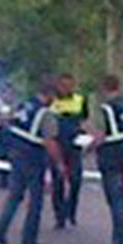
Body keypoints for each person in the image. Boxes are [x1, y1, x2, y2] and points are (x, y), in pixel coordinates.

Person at [0, 79, 67, 244]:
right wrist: (59, 163)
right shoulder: (45, 114)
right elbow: (50, 141)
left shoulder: (23, 106)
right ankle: (29, 238)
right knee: (35, 199)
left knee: (15, 195)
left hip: (16, 154)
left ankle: (1, 230)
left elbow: (5, 123)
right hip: (33, 157)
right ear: (49, 94)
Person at [85, 74, 123, 244]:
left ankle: (121, 241)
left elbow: (100, 136)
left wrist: (87, 147)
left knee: (116, 198)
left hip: (113, 156)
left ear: (103, 88)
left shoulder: (105, 108)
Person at [50, 73, 87, 229]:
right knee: (58, 181)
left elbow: (85, 121)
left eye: (70, 86)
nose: (67, 89)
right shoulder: (51, 102)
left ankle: (71, 212)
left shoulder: (80, 100)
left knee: (76, 180)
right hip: (57, 145)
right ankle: (59, 216)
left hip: (74, 146)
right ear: (58, 86)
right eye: (64, 86)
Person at [0, 82, 18, 190]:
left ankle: (14, 181)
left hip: (13, 135)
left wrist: (6, 119)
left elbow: (16, 118)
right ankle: (3, 181)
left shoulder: (17, 106)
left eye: (7, 93)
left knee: (13, 158)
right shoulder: (0, 106)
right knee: (2, 157)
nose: (4, 95)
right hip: (2, 134)